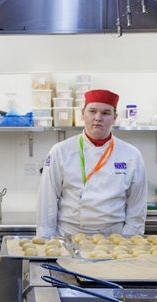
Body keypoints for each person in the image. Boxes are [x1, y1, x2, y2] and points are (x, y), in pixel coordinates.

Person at [38, 89, 147, 238]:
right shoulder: (60, 151)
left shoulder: (131, 155)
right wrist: (45, 240)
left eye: (106, 113)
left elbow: (137, 206)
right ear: (83, 114)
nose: (98, 118)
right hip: (69, 236)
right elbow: (47, 200)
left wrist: (130, 242)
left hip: (113, 239)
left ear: (114, 117)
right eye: (92, 111)